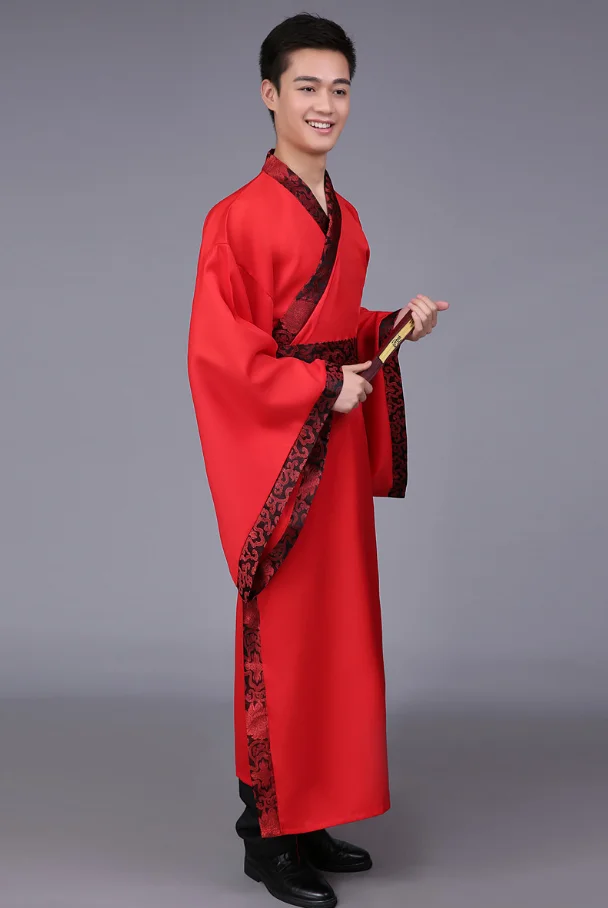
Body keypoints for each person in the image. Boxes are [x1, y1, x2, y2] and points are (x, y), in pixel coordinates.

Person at [187, 12, 448, 907]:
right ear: (270, 95)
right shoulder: (235, 219)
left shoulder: (348, 215)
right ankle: (267, 836)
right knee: (286, 639)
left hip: (330, 464)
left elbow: (337, 332)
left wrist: (391, 327)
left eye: (339, 88)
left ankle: (310, 815)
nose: (325, 104)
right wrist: (319, 387)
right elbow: (223, 358)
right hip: (284, 469)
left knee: (337, 641)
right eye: (307, 87)